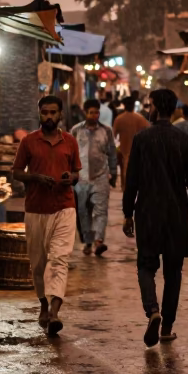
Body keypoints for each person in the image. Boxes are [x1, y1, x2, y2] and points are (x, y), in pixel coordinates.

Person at [123, 87, 188, 347]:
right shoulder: (185, 140)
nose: (149, 108)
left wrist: (127, 213)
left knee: (146, 266)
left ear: (155, 106)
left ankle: (153, 310)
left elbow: (131, 179)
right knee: (173, 273)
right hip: (176, 214)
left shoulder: (142, 139)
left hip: (147, 211)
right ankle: (167, 327)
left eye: (150, 104)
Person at [12, 95, 81, 336]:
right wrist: (36, 178)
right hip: (36, 209)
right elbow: (17, 173)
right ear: (39, 114)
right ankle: (43, 303)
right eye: (45, 113)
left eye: (53, 112)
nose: (49, 117)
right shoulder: (29, 142)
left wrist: (69, 179)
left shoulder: (70, 141)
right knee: (39, 263)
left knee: (59, 258)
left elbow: (76, 174)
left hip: (64, 206)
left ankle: (54, 312)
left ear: (60, 114)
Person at [72, 98, 118, 256]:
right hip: (81, 178)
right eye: (91, 112)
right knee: (83, 212)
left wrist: (113, 173)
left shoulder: (107, 131)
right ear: (85, 113)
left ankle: (99, 241)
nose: (94, 115)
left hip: (101, 177)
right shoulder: (76, 130)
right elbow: (70, 154)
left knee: (100, 211)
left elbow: (112, 153)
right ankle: (87, 242)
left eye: (96, 112)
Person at [113, 92, 150, 192]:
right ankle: (133, 186)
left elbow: (114, 135)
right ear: (133, 105)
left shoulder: (119, 119)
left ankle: (124, 187)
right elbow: (148, 131)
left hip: (123, 147)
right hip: (137, 148)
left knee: (124, 168)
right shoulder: (140, 118)